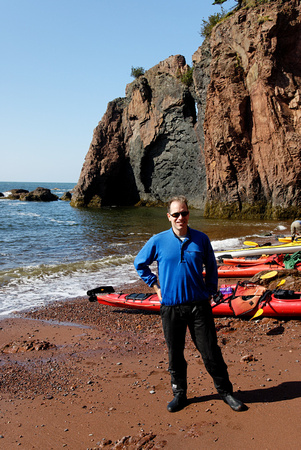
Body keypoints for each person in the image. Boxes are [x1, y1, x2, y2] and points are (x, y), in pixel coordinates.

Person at [134, 195, 246, 413]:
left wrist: (210, 291)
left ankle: (226, 392)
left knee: (211, 352)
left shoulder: (201, 239)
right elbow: (140, 263)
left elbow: (212, 267)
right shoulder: (158, 241)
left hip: (198, 307)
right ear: (169, 217)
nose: (180, 218)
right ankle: (180, 394)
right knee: (175, 354)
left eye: (184, 213)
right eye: (175, 214)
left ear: (188, 214)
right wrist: (155, 287)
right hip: (171, 308)